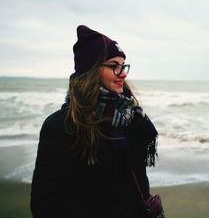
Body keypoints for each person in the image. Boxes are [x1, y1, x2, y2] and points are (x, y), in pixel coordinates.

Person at [31, 25, 159, 217]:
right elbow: (46, 204)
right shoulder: (62, 126)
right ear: (91, 70)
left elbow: (139, 180)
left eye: (123, 66)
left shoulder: (130, 116)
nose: (123, 73)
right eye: (113, 65)